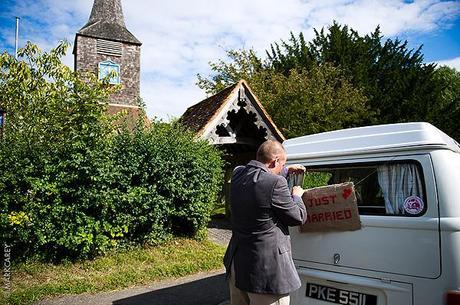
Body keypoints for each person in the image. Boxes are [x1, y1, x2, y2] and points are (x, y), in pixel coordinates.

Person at [224, 140, 307, 305]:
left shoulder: (238, 174)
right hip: (265, 273)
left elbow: (259, 176)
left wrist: (284, 169)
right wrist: (297, 195)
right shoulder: (276, 183)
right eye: (282, 163)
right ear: (275, 161)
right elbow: (297, 217)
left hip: (238, 264)